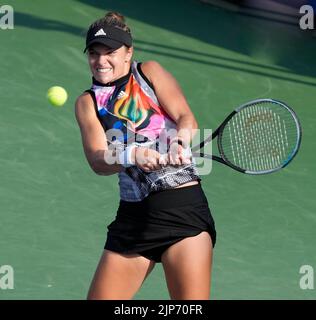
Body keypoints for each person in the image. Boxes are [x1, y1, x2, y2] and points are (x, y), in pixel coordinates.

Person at [75, 11, 216, 300]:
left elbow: (185, 117)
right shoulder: (87, 102)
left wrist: (179, 141)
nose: (101, 60)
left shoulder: (149, 72)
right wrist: (132, 155)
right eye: (94, 53)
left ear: (128, 53)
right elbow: (97, 160)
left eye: (110, 52)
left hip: (182, 211)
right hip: (134, 219)